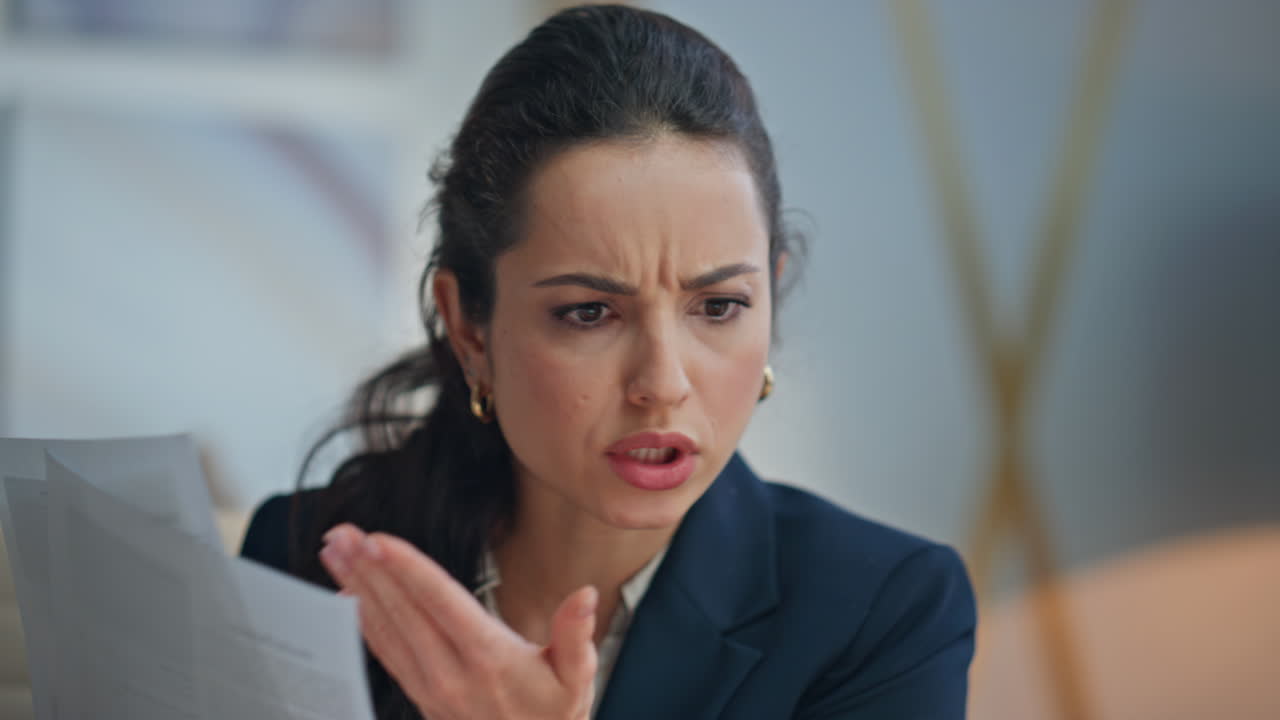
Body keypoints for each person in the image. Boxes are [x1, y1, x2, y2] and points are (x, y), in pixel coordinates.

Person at [240, 5, 976, 719]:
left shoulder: (882, 610)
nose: (662, 385)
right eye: (589, 313)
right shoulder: (305, 559)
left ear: (771, 295)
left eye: (718, 307)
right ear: (469, 327)